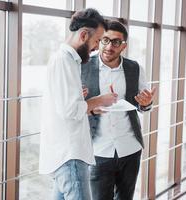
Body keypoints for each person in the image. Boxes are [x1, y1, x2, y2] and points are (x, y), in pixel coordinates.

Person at [39, 9, 118, 200]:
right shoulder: (64, 61)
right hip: (70, 154)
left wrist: (86, 104)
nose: (97, 47)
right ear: (84, 35)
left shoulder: (68, 60)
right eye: (97, 41)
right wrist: (100, 100)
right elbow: (69, 110)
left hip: (66, 153)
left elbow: (67, 106)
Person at [81, 20, 156, 200]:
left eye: (115, 42)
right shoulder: (83, 67)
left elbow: (143, 104)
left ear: (123, 46)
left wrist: (146, 103)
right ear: (99, 41)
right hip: (97, 150)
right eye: (105, 40)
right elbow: (72, 108)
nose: (109, 46)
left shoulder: (135, 68)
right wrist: (90, 108)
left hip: (130, 148)